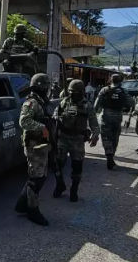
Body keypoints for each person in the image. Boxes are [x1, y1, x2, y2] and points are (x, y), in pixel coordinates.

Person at [14, 72, 54, 226]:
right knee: (36, 179)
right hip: (34, 145)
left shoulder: (40, 101)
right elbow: (23, 121)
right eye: (46, 86)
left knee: (39, 176)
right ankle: (33, 211)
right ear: (41, 87)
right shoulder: (31, 102)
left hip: (41, 144)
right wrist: (41, 127)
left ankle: (22, 205)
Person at [53, 79, 99, 202]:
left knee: (77, 166)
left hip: (77, 139)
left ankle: (74, 189)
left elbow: (94, 122)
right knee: (58, 164)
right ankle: (59, 185)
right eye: (71, 92)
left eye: (76, 92)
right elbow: (55, 118)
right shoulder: (63, 103)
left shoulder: (87, 105)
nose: (73, 94)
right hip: (63, 138)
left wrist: (95, 135)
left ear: (82, 92)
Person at [93, 74, 132, 170]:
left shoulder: (104, 90)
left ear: (111, 80)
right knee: (115, 137)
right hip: (118, 117)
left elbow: (96, 106)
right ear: (120, 81)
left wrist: (94, 114)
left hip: (106, 116)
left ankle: (109, 155)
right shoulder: (124, 91)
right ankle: (112, 154)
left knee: (106, 137)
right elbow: (130, 103)